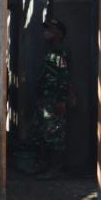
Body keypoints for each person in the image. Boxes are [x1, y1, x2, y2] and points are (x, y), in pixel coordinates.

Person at [32, 18, 72, 180]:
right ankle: (45, 166)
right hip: (45, 99)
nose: (45, 32)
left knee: (55, 134)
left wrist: (61, 100)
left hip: (54, 100)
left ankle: (55, 169)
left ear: (59, 33)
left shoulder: (60, 52)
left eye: (49, 29)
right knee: (42, 133)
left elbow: (63, 77)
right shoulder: (50, 50)